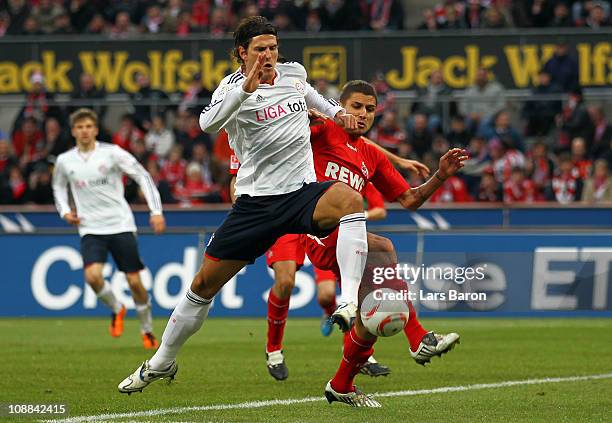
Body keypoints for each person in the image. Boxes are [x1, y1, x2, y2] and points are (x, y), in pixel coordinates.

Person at [118, 16, 369, 394]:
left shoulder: (292, 73)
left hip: (300, 192)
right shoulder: (231, 88)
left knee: (351, 201)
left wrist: (338, 114)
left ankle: (348, 302)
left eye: (272, 48)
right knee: (202, 285)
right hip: (256, 204)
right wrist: (244, 91)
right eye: (259, 50)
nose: (268, 55)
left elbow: (311, 94)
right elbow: (207, 124)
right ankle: (162, 361)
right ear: (242, 53)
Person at [52, 108, 166, 349]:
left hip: (120, 224)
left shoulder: (112, 153)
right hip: (90, 227)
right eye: (79, 127)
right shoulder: (65, 161)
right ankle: (117, 307)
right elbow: (59, 188)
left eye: (88, 127)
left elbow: (142, 176)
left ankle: (147, 330)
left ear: (95, 130)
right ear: (74, 131)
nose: (84, 131)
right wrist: (64, 211)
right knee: (92, 276)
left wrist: (156, 212)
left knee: (135, 283)